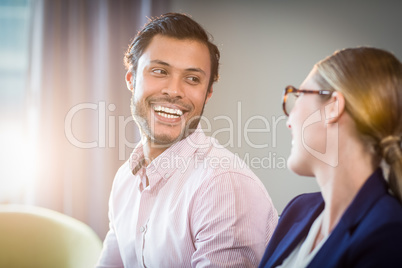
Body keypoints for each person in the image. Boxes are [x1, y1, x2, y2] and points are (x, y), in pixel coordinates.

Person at [96, 13, 278, 268]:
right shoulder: (125, 179)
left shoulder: (223, 185)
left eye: (192, 79)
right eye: (159, 71)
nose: (174, 91)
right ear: (131, 79)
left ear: (208, 92)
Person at [259, 47, 402, 268]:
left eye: (298, 95)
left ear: (333, 107)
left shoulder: (388, 232)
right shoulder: (297, 210)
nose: (289, 121)